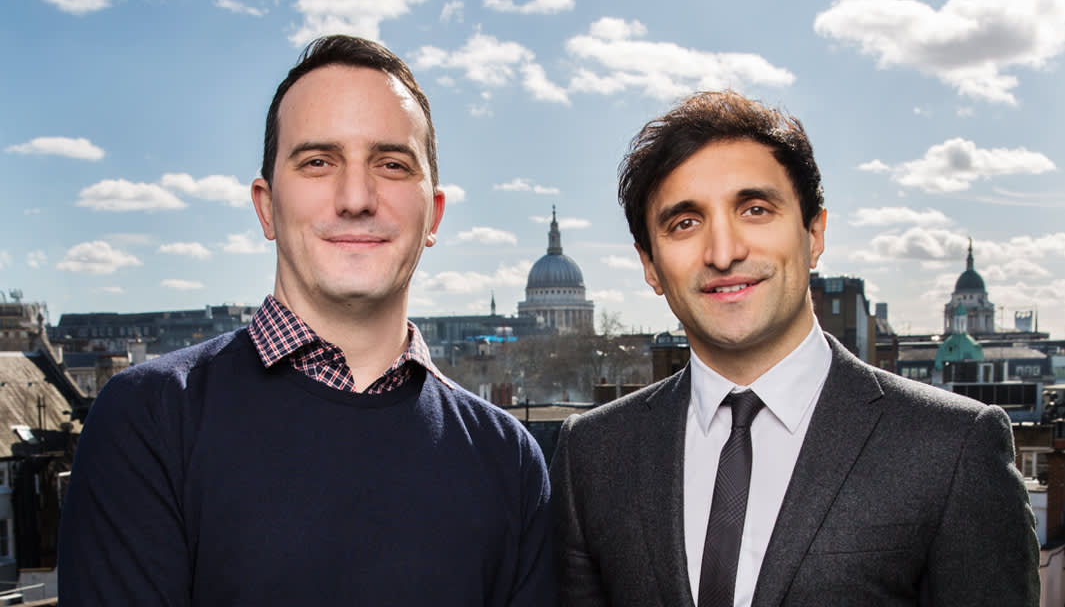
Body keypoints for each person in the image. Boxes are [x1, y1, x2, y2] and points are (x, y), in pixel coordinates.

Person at [58, 35, 557, 606]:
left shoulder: (508, 459)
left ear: (433, 215)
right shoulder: (149, 419)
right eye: (318, 162)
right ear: (267, 206)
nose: (355, 197)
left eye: (391, 164)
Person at [550, 91, 1039, 607]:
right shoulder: (593, 453)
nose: (724, 252)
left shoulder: (953, 447)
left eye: (755, 209)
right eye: (685, 223)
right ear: (649, 264)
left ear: (815, 233)